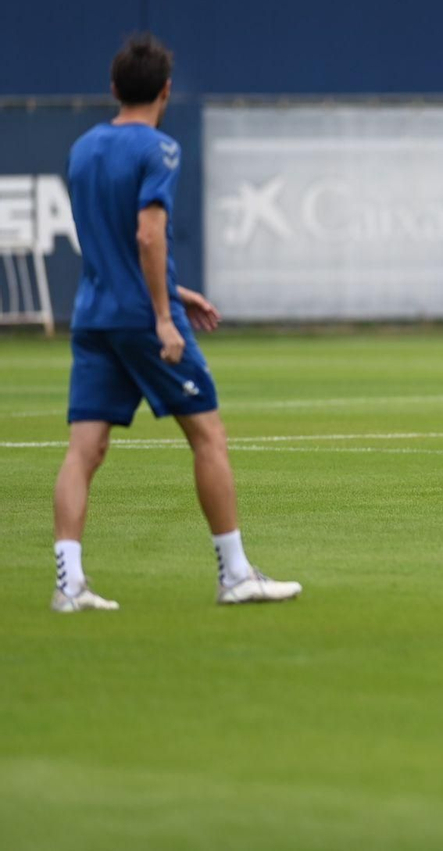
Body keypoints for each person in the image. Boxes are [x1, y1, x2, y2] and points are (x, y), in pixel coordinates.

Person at [52, 34, 300, 611]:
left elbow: (107, 242)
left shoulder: (83, 148)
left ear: (114, 88)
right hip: (142, 321)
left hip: (94, 318)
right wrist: (165, 316)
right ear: (167, 91)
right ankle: (236, 574)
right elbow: (145, 233)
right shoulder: (159, 150)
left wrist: (176, 289)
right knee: (207, 435)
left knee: (82, 451)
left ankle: (69, 584)